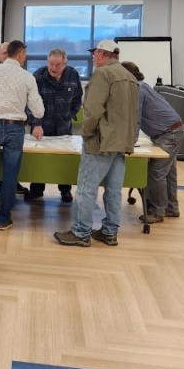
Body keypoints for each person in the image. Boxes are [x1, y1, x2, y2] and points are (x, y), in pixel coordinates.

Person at [54, 40, 139, 247]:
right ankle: (110, 232)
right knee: (113, 190)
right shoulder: (130, 76)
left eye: (95, 54)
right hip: (121, 142)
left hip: (100, 141)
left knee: (86, 188)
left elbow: (93, 109)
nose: (93, 57)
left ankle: (81, 232)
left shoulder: (102, 74)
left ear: (102, 54)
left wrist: (86, 133)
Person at [0, 40, 44, 230]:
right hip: (15, 127)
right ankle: (3, 218)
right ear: (20, 54)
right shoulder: (27, 77)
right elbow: (39, 112)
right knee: (10, 175)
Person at [122, 61, 184, 223]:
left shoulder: (137, 89)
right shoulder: (142, 86)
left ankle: (158, 211)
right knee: (169, 172)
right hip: (172, 130)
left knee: (157, 172)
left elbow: (136, 118)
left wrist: (130, 142)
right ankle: (171, 208)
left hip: (169, 133)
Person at [26, 48, 83, 203]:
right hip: (42, 127)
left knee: (64, 160)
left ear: (65, 63)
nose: (53, 68)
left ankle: (65, 191)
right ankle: (36, 190)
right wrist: (36, 123)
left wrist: (69, 115)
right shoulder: (38, 76)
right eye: (51, 63)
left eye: (58, 65)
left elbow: (78, 99)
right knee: (39, 160)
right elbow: (29, 103)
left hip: (64, 127)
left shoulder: (73, 75)